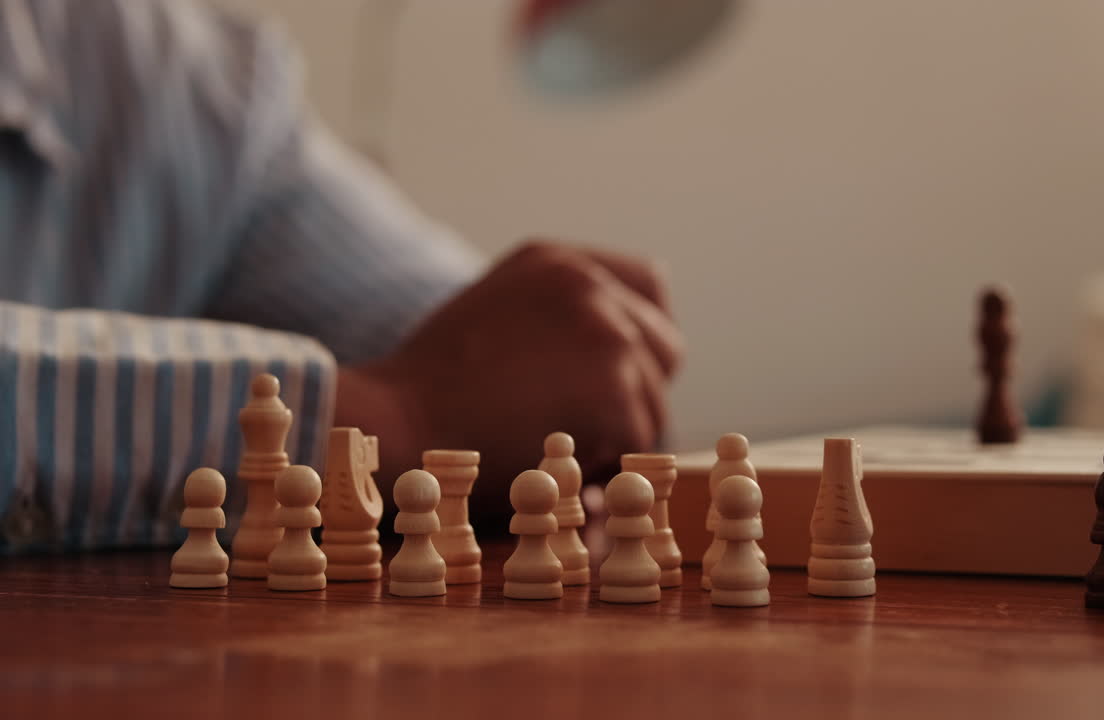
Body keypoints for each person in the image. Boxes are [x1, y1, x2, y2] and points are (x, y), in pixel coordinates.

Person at [0, 0, 682, 551]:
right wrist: (401, 417)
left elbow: (510, 370)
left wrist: (583, 376)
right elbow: (441, 402)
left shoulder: (188, 79)